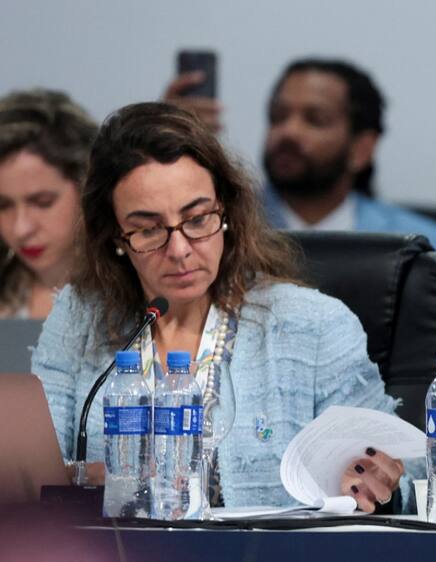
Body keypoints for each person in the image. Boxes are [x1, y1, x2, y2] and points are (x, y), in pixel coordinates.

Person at [32, 102, 404, 511]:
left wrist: (375, 482)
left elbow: (405, 472)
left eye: (197, 219)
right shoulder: (80, 317)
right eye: (148, 229)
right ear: (117, 239)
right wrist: (86, 479)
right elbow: (27, 472)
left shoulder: (314, 326)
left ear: (227, 213)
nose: (179, 250)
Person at [166, 57, 436, 255]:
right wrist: (166, 142)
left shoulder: (421, 244)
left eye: (315, 119)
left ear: (362, 149)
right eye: (278, 116)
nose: (288, 131)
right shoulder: (221, 227)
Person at [0, 90, 97, 318]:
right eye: (3, 206)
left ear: (86, 188)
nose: (21, 229)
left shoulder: (139, 296)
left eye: (42, 202)